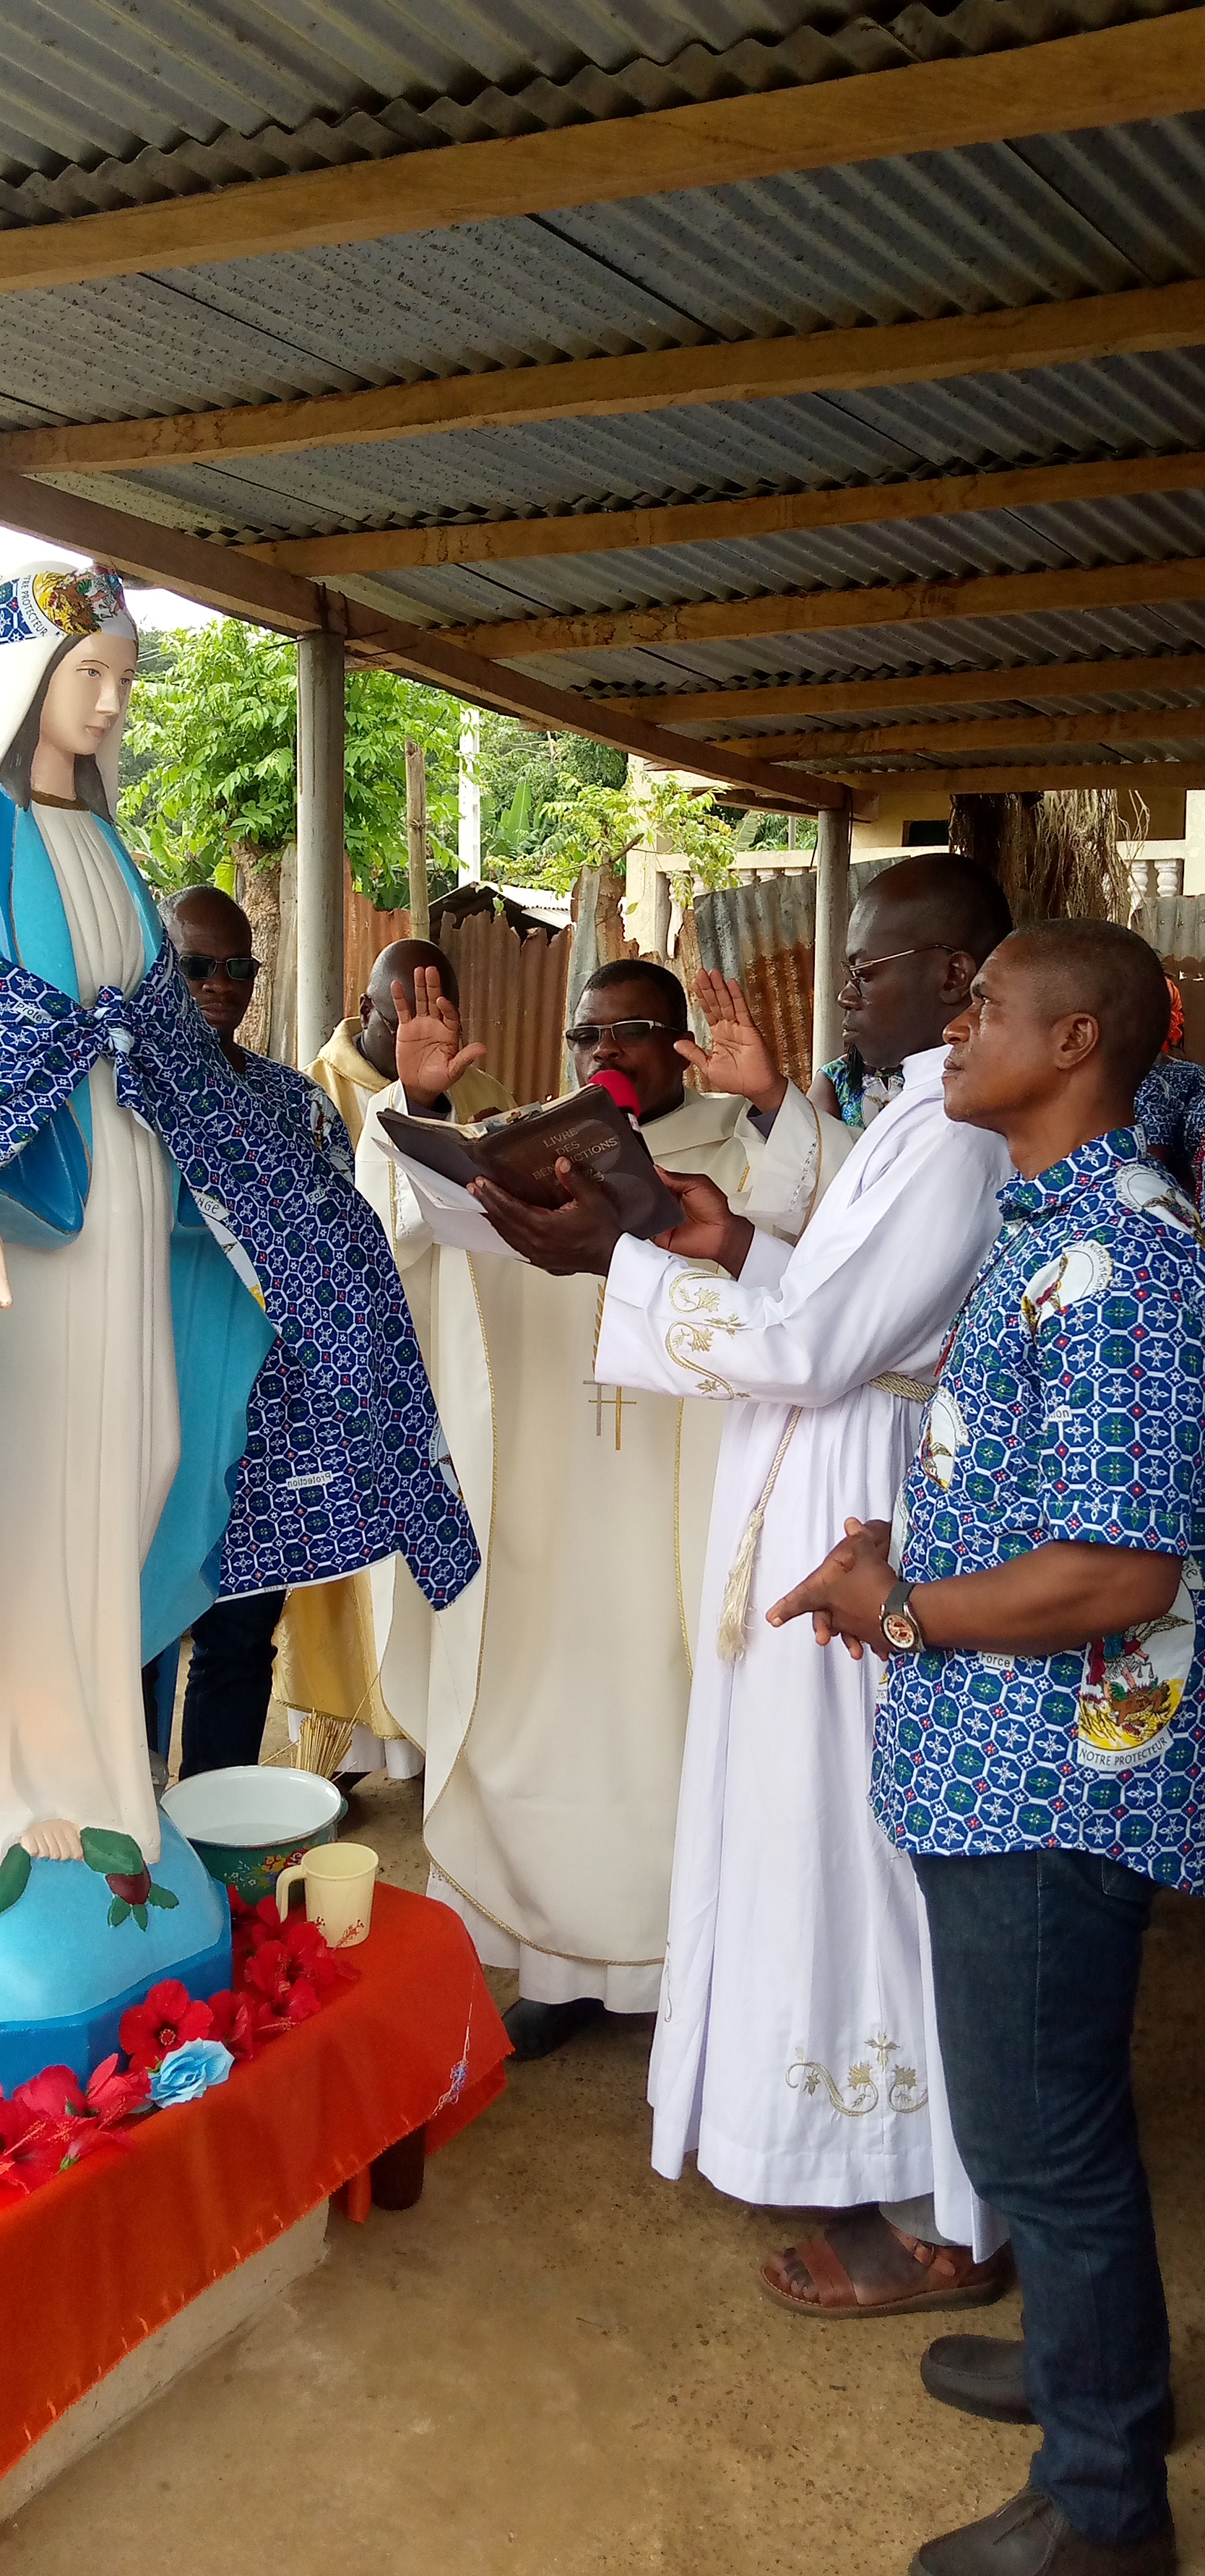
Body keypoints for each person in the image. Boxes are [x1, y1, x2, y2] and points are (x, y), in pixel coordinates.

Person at [477, 859, 1016, 2296]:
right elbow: (819, 1292)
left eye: (874, 964)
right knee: (796, 1819)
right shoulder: (910, 1117)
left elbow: (823, 1349)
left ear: (959, 977)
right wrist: (703, 1230)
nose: (846, 982)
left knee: (861, 1841)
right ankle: (839, 2141)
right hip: (805, 1478)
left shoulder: (959, 1141)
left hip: (858, 1503)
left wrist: (628, 1258)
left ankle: (936, 2202)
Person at [774, 919, 1198, 2576]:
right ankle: (1087, 2377)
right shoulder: (1054, 1226)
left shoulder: (1124, 1259)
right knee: (1042, 2120)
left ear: (1076, 1037)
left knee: (1048, 2142)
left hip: (1049, 1785)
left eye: (984, 1007)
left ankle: (1102, 2509)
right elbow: (1054, 1499)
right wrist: (930, 1531)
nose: (952, 1029)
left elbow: (1116, 1569)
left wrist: (900, 1608)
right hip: (998, 1755)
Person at [0, 567, 477, 1900]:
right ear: (23, 686)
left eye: (127, 678)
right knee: (32, 1491)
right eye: (92, 676)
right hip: (29, 1224)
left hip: (132, 1204)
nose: (115, 700)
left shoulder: (109, 849)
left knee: (144, 1459)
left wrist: (286, 1219)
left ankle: (102, 1776)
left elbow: (169, 1056)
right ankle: (9, 1788)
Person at [357, 954, 808, 2058]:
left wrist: (774, 1103)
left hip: (680, 1515)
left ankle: (684, 1969)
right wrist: (416, 1111)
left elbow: (815, 1256)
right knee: (536, 1720)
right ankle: (559, 1969)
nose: (605, 1053)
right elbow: (393, 1243)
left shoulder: (740, 1160)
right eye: (587, 1036)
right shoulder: (515, 1147)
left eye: (634, 1030)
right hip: (540, 1513)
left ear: (682, 1041)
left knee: (673, 1728)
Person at [277, 938, 511, 1785]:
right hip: (346, 1374)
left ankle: (436, 1737)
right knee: (343, 1574)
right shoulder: (310, 1094)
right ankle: (339, 1756)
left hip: (453, 1369)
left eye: (445, 1011)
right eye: (407, 1010)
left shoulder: (482, 1094)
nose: (428, 1025)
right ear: (366, 1009)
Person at [160, 884, 348, 1778]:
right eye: (197, 966)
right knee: (136, 1639)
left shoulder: (297, 1105)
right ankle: (127, 1859)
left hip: (263, 1430)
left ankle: (215, 1863)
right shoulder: (120, 1103)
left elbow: (345, 1250)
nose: (222, 987)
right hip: (147, 1414)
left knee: (240, 1644)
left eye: (240, 968)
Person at [306, 935, 507, 1149]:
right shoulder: (306, 1098)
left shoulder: (488, 1095)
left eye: (443, 1028)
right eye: (402, 1027)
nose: (426, 1049)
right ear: (366, 1013)